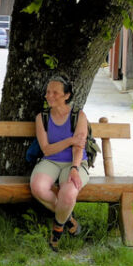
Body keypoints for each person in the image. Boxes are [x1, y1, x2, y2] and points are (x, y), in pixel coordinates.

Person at [29, 75, 90, 251]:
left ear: (66, 95)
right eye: (48, 92)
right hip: (51, 161)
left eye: (55, 92)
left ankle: (57, 230)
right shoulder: (42, 117)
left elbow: (79, 147)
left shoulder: (79, 116)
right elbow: (46, 149)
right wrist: (70, 140)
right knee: (38, 188)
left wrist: (74, 169)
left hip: (75, 162)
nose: (49, 96)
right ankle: (69, 219)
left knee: (69, 193)